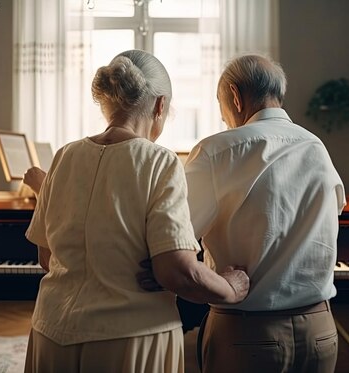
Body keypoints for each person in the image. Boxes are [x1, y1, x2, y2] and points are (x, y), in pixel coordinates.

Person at [23, 49, 249, 373]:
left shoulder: (64, 156)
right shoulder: (159, 161)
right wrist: (230, 287)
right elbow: (178, 272)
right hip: (128, 339)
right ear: (160, 105)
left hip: (52, 331)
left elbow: (47, 259)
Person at [184, 54, 346, 373]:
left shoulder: (216, 151)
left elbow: (176, 235)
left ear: (234, 96)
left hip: (248, 333)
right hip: (321, 331)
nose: (225, 120)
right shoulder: (318, 148)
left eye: (222, 109)